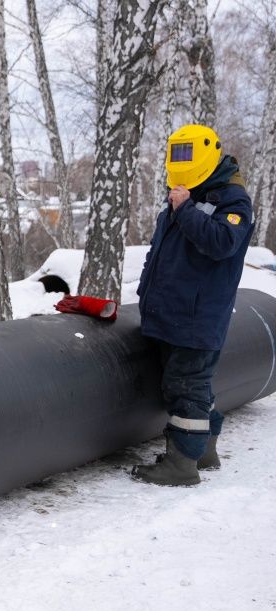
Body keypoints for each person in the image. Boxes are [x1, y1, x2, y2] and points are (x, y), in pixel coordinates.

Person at [132, 124, 254, 486]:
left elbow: (221, 243)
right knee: (190, 384)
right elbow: (161, 253)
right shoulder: (182, 196)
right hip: (172, 313)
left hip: (197, 317)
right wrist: (145, 291)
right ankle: (204, 450)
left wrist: (185, 210)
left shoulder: (232, 200)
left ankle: (182, 462)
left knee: (187, 385)